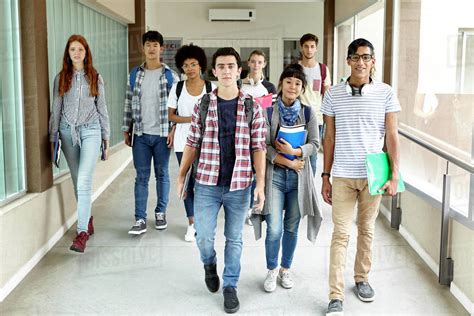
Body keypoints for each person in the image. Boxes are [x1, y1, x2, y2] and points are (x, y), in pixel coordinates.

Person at [176, 47, 266, 314]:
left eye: (231, 66)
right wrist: (181, 175)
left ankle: (230, 286)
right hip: (206, 183)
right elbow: (192, 142)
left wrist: (259, 184)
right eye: (221, 66)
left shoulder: (252, 107)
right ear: (213, 72)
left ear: (240, 71)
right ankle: (209, 264)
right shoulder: (202, 105)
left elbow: (258, 147)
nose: (226, 71)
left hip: (239, 185)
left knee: (234, 238)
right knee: (203, 236)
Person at [321, 38, 401, 315]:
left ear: (372, 61)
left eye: (366, 57)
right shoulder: (332, 94)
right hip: (342, 174)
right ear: (348, 61)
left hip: (374, 175)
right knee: (340, 235)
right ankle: (335, 295)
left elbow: (391, 136)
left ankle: (362, 279)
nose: (360, 62)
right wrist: (325, 175)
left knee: (366, 231)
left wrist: (394, 174)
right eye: (355, 57)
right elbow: (328, 137)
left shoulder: (386, 93)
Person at [254, 63, 322, 293]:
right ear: (281, 83)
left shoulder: (308, 112)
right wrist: (286, 161)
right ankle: (272, 269)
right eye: (289, 81)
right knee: (274, 228)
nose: (293, 86)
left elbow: (315, 143)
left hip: (299, 179)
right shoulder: (267, 111)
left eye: (298, 83)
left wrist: (296, 153)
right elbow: (262, 145)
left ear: (302, 88)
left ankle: (285, 269)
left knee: (291, 227)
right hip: (275, 175)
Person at [48, 34, 110, 253]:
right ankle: (88, 219)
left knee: (84, 179)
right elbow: (55, 109)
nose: (76, 53)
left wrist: (106, 138)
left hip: (91, 129)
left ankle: (82, 232)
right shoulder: (60, 78)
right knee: (77, 181)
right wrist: (53, 137)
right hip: (66, 132)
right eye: (73, 49)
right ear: (68, 53)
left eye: (80, 49)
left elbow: (102, 108)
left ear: (86, 52)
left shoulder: (95, 77)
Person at [122, 30, 179, 235]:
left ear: (161, 48)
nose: (152, 48)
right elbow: (128, 102)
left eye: (155, 44)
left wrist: (174, 129)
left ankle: (160, 212)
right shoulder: (134, 73)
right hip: (141, 135)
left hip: (163, 134)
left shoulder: (171, 76)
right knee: (141, 177)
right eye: (148, 44)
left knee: (162, 175)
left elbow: (177, 107)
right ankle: (139, 218)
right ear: (143, 48)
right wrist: (126, 128)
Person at [167, 44, 216, 242]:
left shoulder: (211, 88)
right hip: (183, 143)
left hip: (207, 143)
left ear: (201, 65)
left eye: (194, 64)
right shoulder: (177, 87)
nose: (190, 68)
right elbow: (171, 115)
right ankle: (191, 224)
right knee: (187, 183)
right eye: (186, 65)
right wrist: (193, 119)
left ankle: (204, 223)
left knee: (204, 185)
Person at [240, 50, 277, 226]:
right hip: (242, 136)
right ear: (248, 63)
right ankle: (245, 209)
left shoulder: (269, 87)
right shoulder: (239, 84)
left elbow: (272, 114)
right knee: (245, 172)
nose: (256, 65)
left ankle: (258, 207)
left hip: (262, 135)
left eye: (260, 62)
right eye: (253, 61)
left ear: (264, 64)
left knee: (260, 172)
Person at [298, 33, 331, 176]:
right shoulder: (295, 68)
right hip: (297, 117)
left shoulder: (323, 69)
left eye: (312, 46)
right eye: (306, 46)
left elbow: (327, 95)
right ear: (301, 48)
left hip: (317, 119)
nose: (309, 50)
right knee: (297, 152)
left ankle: (309, 189)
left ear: (316, 48)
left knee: (312, 155)